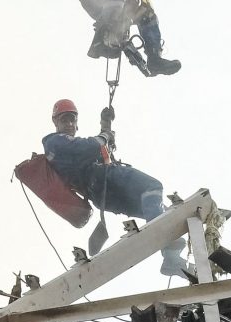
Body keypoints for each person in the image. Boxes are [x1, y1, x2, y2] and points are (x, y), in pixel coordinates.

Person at [42, 98, 187, 274]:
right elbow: (90, 146)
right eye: (65, 120)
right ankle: (164, 244)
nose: (70, 124)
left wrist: (106, 125)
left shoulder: (66, 149)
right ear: (55, 121)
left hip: (102, 196)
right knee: (153, 187)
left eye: (72, 119)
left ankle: (171, 259)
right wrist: (105, 135)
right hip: (103, 179)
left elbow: (98, 149)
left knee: (156, 210)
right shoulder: (54, 142)